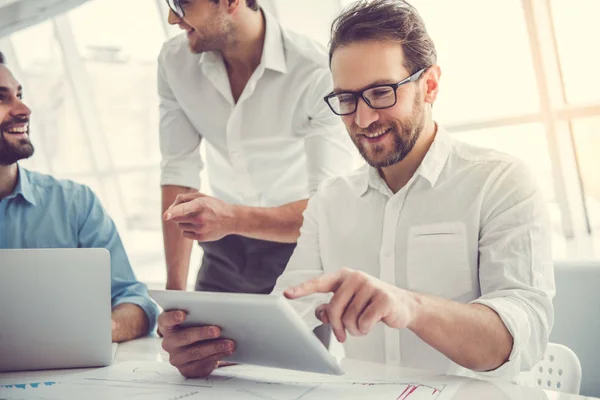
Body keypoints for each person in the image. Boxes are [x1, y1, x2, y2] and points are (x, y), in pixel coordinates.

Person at [157, 0, 555, 381]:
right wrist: (207, 351)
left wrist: (411, 306)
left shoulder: (501, 182)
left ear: (429, 85)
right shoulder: (331, 203)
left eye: (382, 92)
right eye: (347, 98)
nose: (363, 119)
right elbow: (283, 319)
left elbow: (523, 336)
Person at [158, 0, 356, 294]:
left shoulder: (317, 73)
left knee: (294, 343)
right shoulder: (174, 62)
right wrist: (175, 294)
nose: (173, 18)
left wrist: (231, 219)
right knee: (198, 336)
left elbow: (326, 207)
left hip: (298, 246)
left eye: (182, 3)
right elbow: (178, 172)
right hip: (219, 249)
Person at [0, 51, 159, 343]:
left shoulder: (74, 204)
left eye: (19, 94)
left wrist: (97, 331)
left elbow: (135, 301)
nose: (24, 109)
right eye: (1, 98)